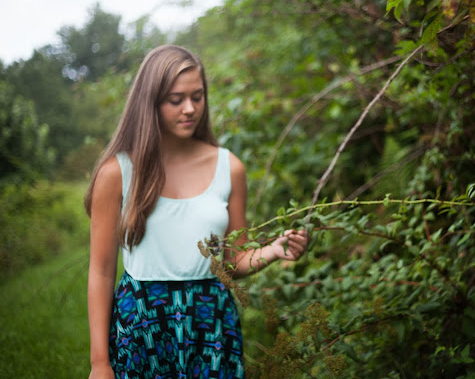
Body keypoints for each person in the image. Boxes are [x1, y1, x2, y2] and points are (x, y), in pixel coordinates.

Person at [85, 44, 308, 379]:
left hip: (211, 323)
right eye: (176, 100)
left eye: (197, 97)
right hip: (143, 325)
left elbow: (232, 261)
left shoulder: (229, 168)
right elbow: (102, 272)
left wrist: (274, 250)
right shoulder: (117, 173)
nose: (190, 109)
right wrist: (100, 363)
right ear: (151, 102)